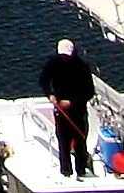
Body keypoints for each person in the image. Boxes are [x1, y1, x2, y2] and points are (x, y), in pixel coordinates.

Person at [41, 36, 97, 177]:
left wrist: (72, 102)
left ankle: (81, 170)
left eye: (67, 56)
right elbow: (44, 80)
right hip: (60, 110)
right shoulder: (53, 63)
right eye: (62, 55)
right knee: (63, 140)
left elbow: (89, 92)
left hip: (77, 110)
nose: (64, 59)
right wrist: (50, 95)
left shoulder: (82, 67)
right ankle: (66, 171)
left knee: (79, 139)